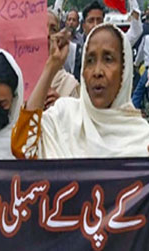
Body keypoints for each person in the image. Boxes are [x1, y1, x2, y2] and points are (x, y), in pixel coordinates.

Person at [12, 24, 149, 159]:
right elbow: (22, 148)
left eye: (108, 59)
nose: (97, 72)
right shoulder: (63, 116)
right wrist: (52, 66)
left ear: (124, 71)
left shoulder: (143, 139)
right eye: (89, 61)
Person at [46, 10, 80, 107]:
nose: (47, 34)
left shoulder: (69, 84)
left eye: (53, 29)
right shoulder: (21, 79)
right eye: (42, 27)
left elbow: (76, 119)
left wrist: (61, 107)